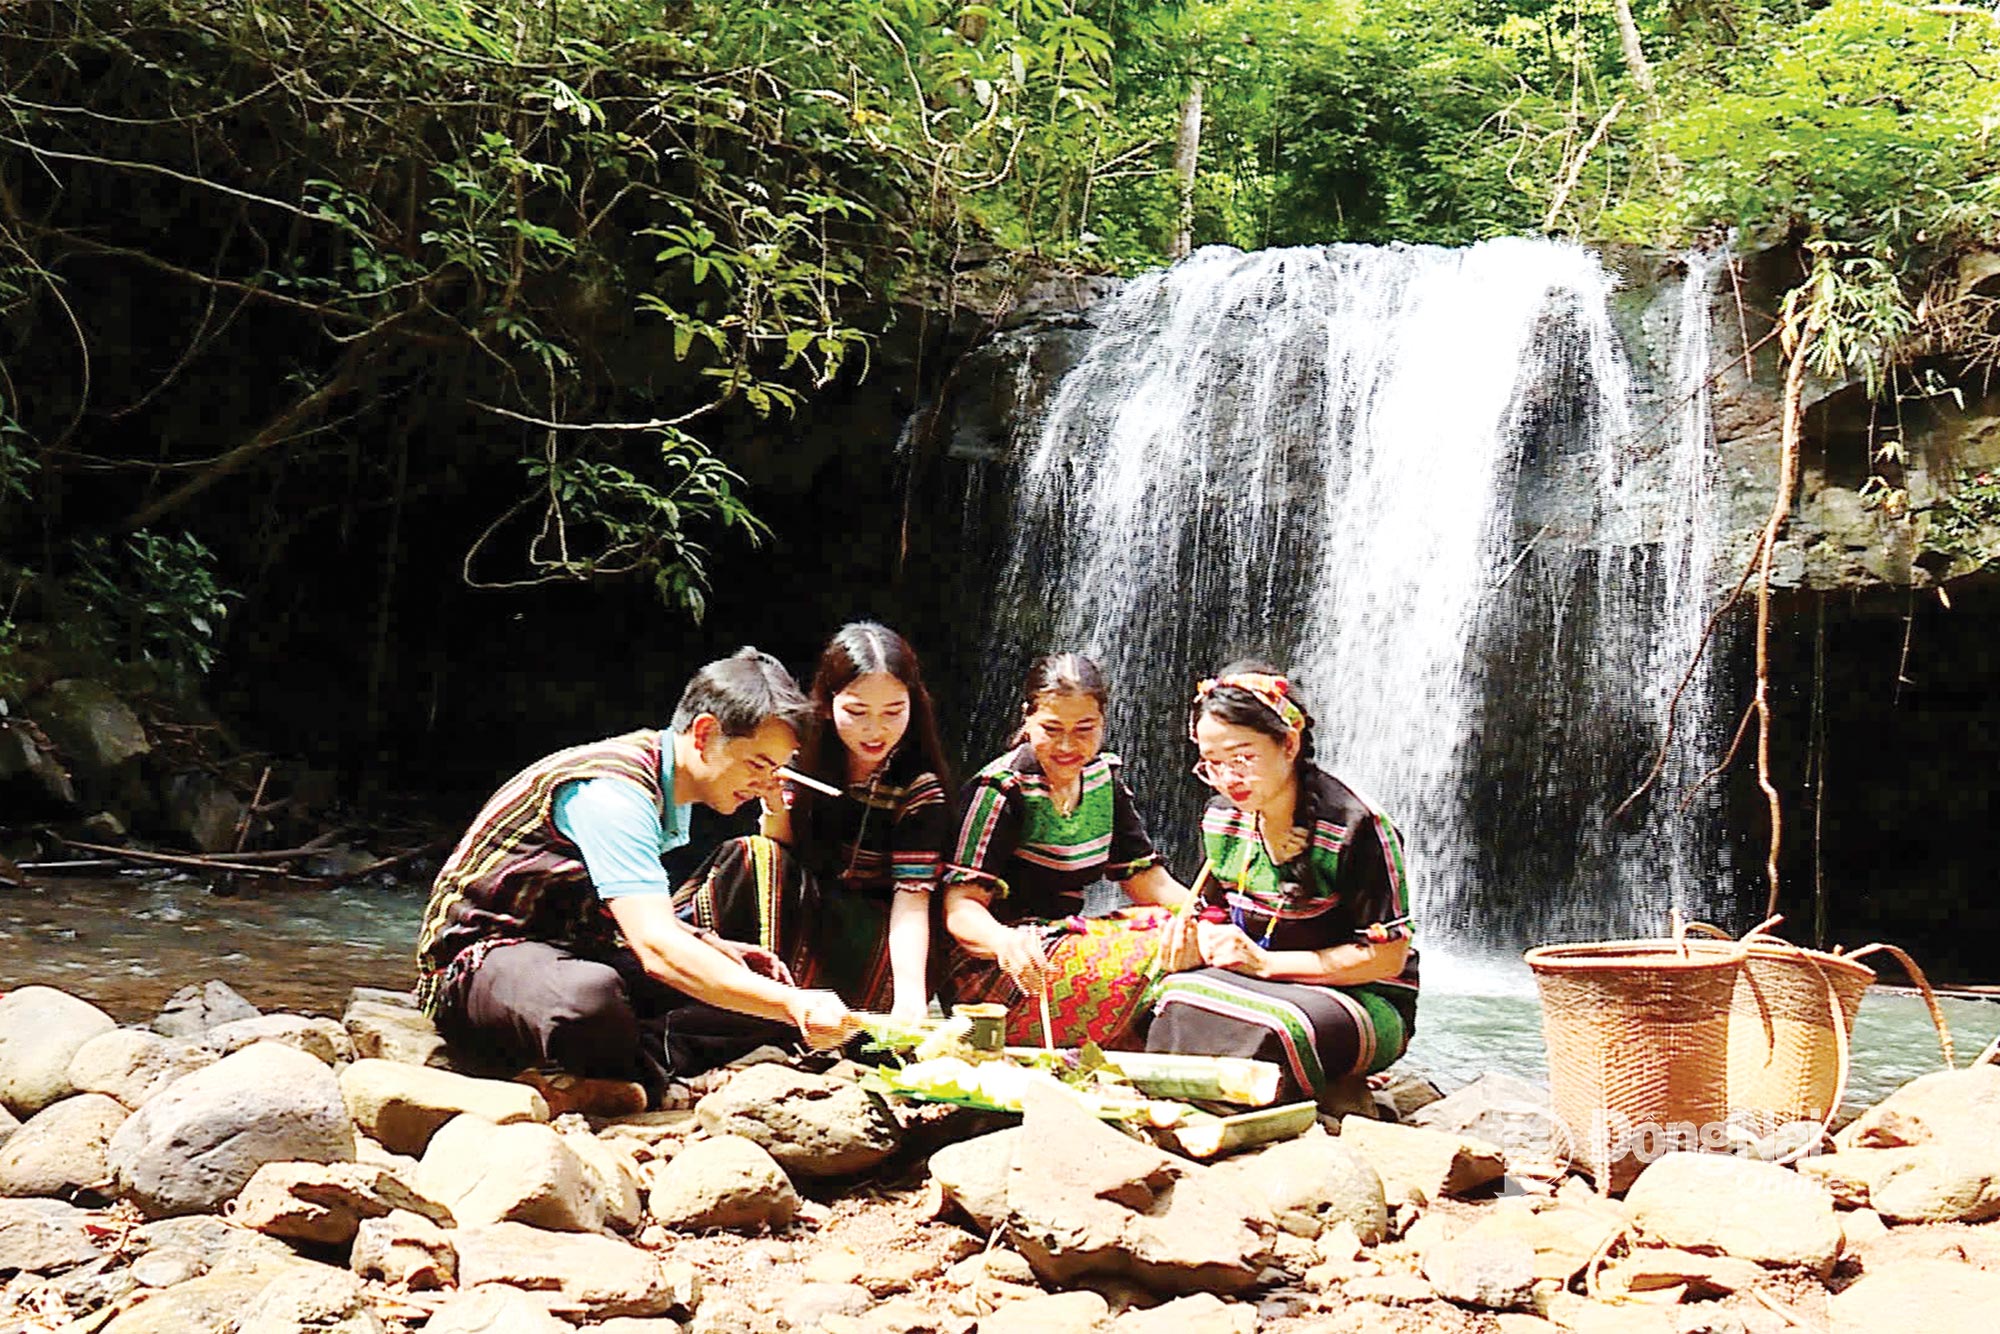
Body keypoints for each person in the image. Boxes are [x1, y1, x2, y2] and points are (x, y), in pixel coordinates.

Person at [414, 648, 856, 1112]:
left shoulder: (669, 786)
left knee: (755, 985)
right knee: (589, 999)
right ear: (704, 733)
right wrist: (795, 1005)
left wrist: (709, 944)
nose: (767, 785)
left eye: (777, 770)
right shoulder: (614, 793)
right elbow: (657, 949)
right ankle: (651, 1080)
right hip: (475, 967)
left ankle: (620, 1074)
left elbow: (622, 905)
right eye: (758, 765)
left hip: (570, 948)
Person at [1144, 664, 1419, 1106]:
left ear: (1288, 743)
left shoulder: (1357, 826)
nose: (1228, 779)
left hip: (1358, 995)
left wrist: (1268, 965)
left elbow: (1388, 957)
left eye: (1243, 759)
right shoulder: (1222, 817)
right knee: (1161, 992)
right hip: (1253, 979)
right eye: (1212, 764)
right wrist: (1201, 936)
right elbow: (1213, 910)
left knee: (1274, 1026)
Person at [677, 622, 952, 1020]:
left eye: (893, 711)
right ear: (827, 702)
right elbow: (779, 847)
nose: (875, 730)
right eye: (857, 712)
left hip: (873, 938)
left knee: (757, 861)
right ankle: (683, 972)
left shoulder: (918, 787)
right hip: (803, 903)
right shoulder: (799, 750)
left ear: (915, 703)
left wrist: (909, 1002)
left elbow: (911, 898)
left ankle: (762, 1012)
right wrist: (773, 800)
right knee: (747, 855)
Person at [941, 653, 1193, 1047]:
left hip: (1067, 945)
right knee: (1158, 943)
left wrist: (1207, 916)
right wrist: (1005, 942)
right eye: (1051, 728)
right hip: (997, 971)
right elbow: (961, 908)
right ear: (1027, 719)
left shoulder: (1102, 780)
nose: (1067, 746)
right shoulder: (1001, 788)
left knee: (1179, 932)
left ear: (1104, 722)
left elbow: (1147, 881)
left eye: (1084, 729)